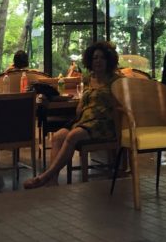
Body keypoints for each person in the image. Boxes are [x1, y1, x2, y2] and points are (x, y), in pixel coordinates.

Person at [24, 40, 118, 189]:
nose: (98, 61)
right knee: (57, 136)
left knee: (73, 135)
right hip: (84, 121)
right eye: (95, 58)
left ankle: (45, 177)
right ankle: (53, 181)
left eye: (102, 58)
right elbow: (82, 104)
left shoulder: (116, 81)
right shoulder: (88, 79)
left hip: (104, 123)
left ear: (109, 60)